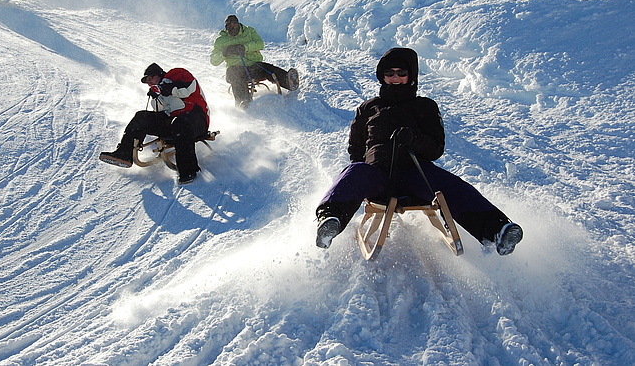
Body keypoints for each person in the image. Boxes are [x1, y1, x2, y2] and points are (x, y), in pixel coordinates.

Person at [315, 47, 524, 255]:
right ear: (382, 76)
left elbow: (436, 149)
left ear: (411, 75)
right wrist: (362, 176)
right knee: (355, 170)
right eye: (389, 73)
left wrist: (414, 138)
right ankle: (329, 220)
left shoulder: (425, 107)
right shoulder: (368, 108)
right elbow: (356, 148)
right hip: (377, 176)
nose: (395, 78)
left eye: (401, 73)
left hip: (415, 174)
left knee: (447, 184)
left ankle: (496, 229)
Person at [99, 63, 210, 185]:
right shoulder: (159, 92)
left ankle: (188, 170)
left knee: (180, 123)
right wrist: (156, 96)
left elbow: (188, 89)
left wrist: (166, 89)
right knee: (141, 116)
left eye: (150, 79)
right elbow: (161, 110)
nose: (149, 83)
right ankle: (124, 154)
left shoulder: (177, 74)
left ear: (158, 74)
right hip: (173, 122)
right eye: (147, 82)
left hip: (196, 118)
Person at [210, 15, 298, 108]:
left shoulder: (249, 31)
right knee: (234, 74)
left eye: (234, 25)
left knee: (267, 68)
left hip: (253, 65)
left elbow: (260, 43)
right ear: (226, 28)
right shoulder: (220, 40)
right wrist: (224, 53)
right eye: (230, 26)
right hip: (235, 69)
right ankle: (243, 100)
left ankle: (288, 81)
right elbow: (213, 61)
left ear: (238, 24)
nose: (233, 28)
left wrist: (245, 47)